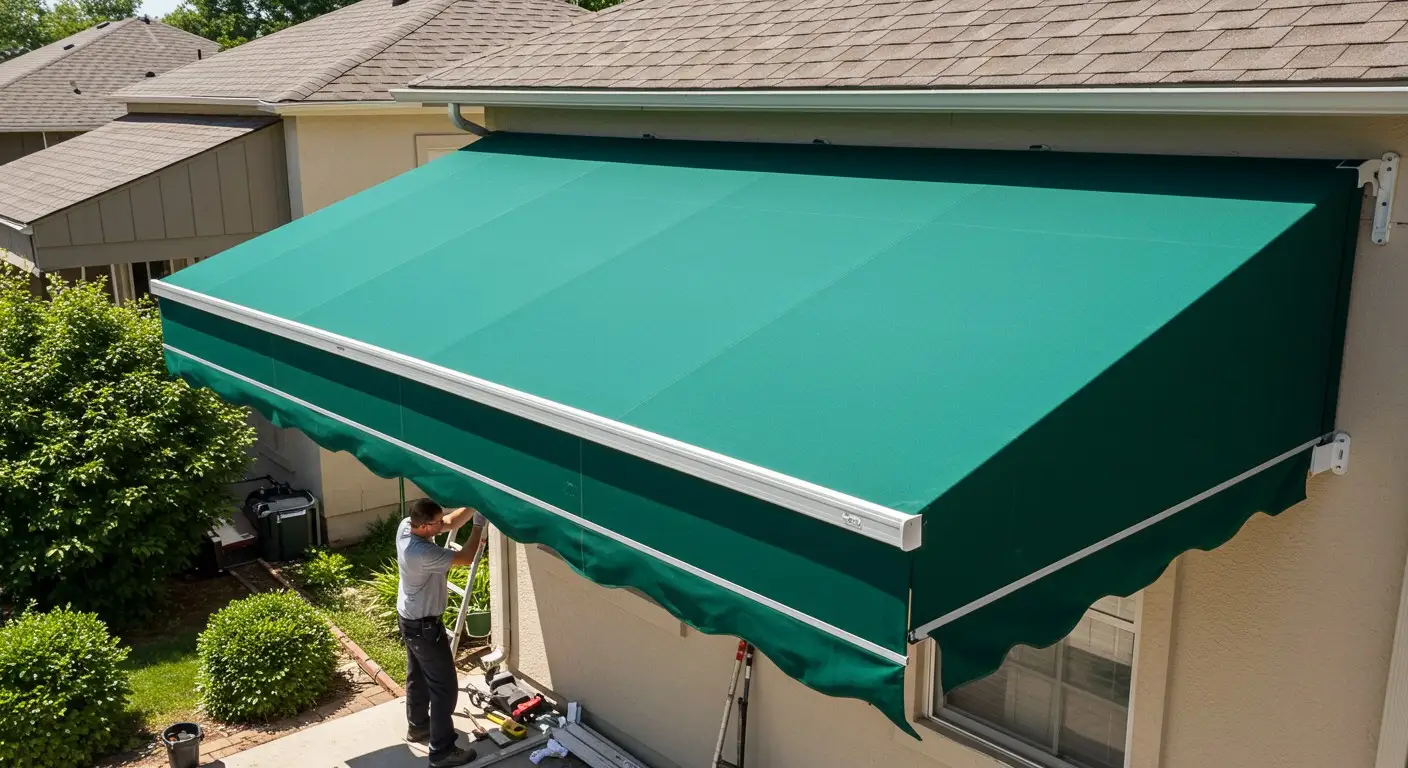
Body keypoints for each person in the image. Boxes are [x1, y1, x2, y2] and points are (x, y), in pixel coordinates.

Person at [398, 499, 486, 768]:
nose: (443, 524)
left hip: (409, 619)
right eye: (436, 523)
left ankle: (419, 727)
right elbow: (466, 556)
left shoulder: (406, 526)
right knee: (444, 688)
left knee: (418, 675)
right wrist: (479, 525)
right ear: (424, 526)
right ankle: (442, 751)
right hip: (424, 627)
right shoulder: (421, 553)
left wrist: (474, 503)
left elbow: (448, 522)